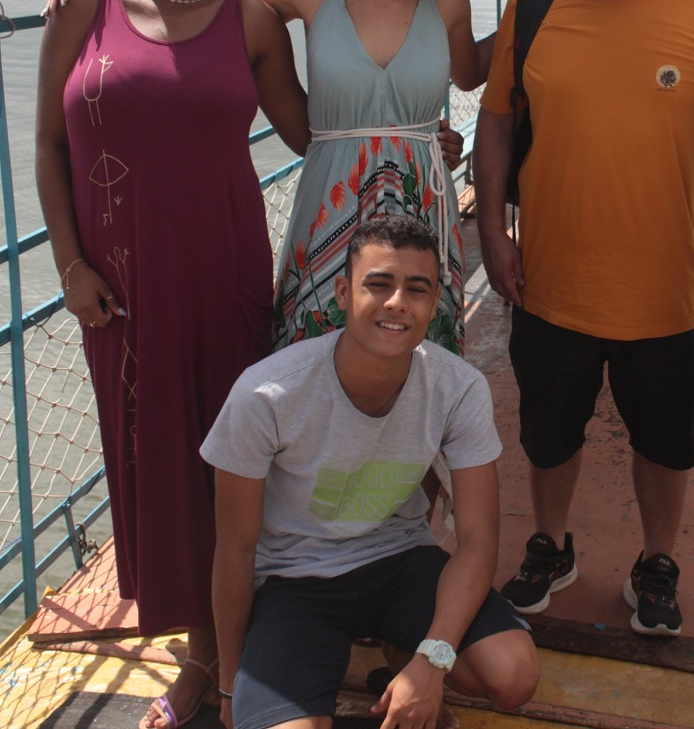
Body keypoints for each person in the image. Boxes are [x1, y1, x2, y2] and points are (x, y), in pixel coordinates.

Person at [35, 0, 309, 729]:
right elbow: (47, 143)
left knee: (229, 464)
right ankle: (201, 651)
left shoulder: (256, 20)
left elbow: (317, 134)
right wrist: (69, 264)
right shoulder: (84, 3)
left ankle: (223, 654)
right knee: (149, 463)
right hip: (117, 288)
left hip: (222, 272)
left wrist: (420, 136)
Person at [49, 0, 480, 356]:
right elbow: (205, 14)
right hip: (333, 203)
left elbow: (471, 73)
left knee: (421, 368)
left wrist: (523, 20)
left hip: (424, 198)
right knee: (312, 366)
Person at [474, 0, 694, 637]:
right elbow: (495, 118)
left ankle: (656, 559)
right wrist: (493, 230)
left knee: (665, 444)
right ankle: (551, 544)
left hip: (664, 286)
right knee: (548, 432)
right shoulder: (536, 8)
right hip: (551, 278)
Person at [201, 215, 539, 729]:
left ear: (434, 304)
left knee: (513, 677)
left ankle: (406, 656)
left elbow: (476, 540)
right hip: (296, 578)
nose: (397, 302)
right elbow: (236, 547)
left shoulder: (458, 388)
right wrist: (229, 684)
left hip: (399, 560)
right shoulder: (265, 394)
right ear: (342, 291)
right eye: (378, 284)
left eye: (416, 289)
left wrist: (433, 662)